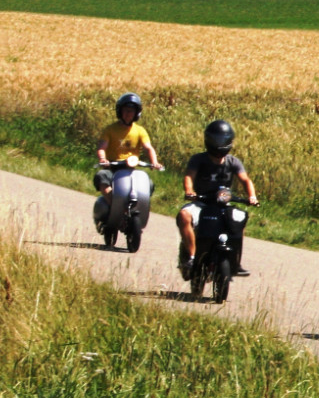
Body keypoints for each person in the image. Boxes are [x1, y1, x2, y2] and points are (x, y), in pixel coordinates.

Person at [175, 120, 259, 280]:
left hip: (223, 205)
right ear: (209, 141)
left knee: (238, 221)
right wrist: (189, 191)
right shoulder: (198, 159)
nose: (220, 144)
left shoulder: (233, 161)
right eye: (217, 140)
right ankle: (192, 257)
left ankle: (235, 261)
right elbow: (189, 176)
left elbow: (246, 180)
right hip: (201, 203)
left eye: (224, 140)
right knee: (184, 215)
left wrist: (252, 196)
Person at [93, 92, 163, 230]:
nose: (128, 114)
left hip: (131, 170)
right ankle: (115, 207)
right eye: (125, 111)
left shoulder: (140, 131)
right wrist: (103, 158)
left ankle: (136, 210)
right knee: (101, 177)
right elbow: (102, 147)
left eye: (131, 111)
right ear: (120, 111)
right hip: (113, 167)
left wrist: (154, 162)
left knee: (149, 184)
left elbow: (148, 148)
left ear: (137, 113)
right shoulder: (110, 130)